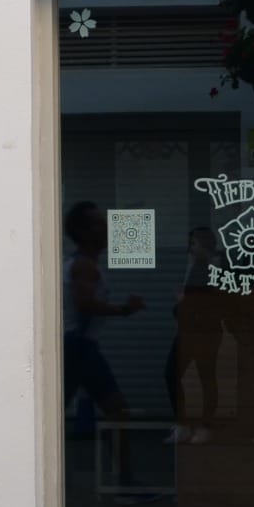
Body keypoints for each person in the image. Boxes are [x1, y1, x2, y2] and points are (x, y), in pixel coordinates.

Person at [63, 202, 145, 478]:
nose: (106, 228)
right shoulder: (84, 266)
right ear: (84, 232)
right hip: (78, 347)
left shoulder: (85, 264)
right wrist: (123, 310)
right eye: (99, 223)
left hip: (79, 347)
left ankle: (126, 481)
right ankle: (127, 483)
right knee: (118, 411)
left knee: (115, 410)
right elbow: (84, 304)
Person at [165, 227, 225, 445]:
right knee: (174, 374)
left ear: (205, 245)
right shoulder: (194, 267)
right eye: (190, 244)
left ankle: (203, 426)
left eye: (194, 244)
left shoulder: (212, 269)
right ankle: (185, 424)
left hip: (204, 332)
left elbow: (207, 304)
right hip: (189, 331)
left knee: (205, 377)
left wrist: (182, 302)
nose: (190, 249)